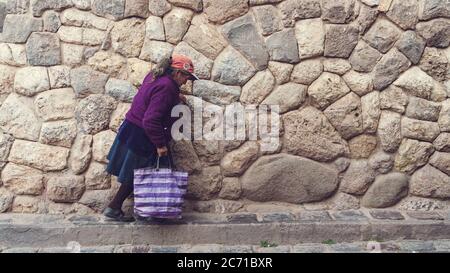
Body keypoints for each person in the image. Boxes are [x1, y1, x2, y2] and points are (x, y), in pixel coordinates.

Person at [103, 54, 198, 221]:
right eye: (186, 78)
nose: (186, 82)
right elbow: (151, 119)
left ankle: (121, 207)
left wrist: (176, 97)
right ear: (177, 73)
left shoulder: (156, 75)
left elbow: (153, 96)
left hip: (133, 129)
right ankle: (117, 208)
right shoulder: (167, 87)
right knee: (138, 174)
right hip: (143, 135)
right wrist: (161, 145)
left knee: (136, 173)